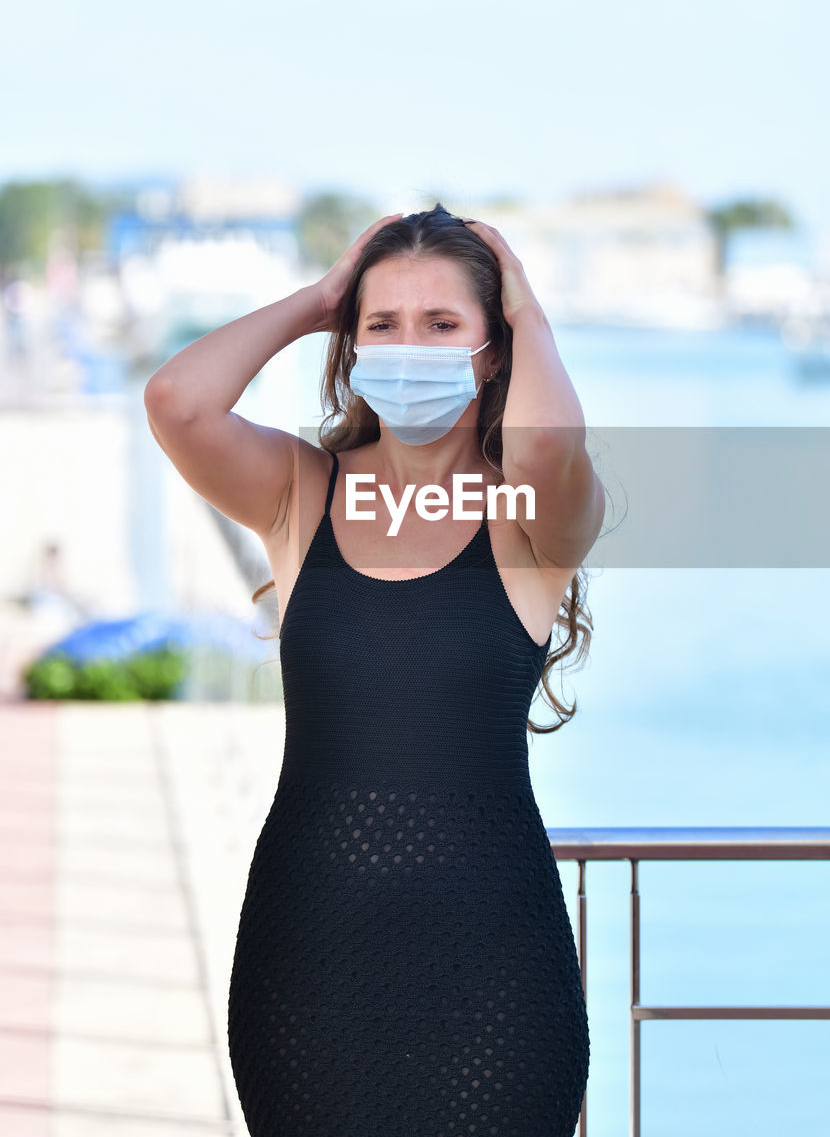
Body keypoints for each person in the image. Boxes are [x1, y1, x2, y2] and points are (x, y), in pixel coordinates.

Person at [144, 203, 605, 1137]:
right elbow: (177, 403)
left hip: (495, 973)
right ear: (347, 347)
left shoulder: (528, 513)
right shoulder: (299, 491)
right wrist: (316, 299)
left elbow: (550, 440)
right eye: (381, 324)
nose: (409, 346)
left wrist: (532, 314)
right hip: (307, 960)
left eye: (443, 324)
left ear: (492, 349)